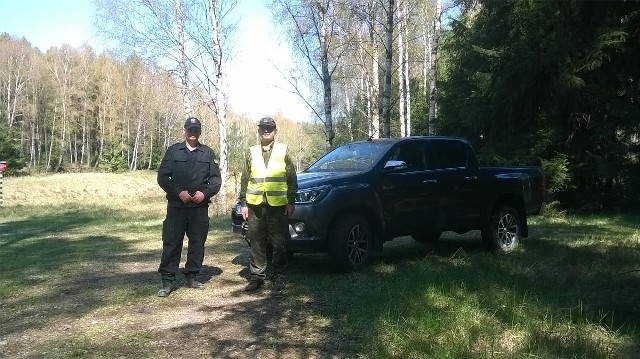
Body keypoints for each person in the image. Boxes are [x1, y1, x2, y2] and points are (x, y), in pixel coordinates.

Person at [156, 116, 222, 297]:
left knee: (197, 243)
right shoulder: (173, 151)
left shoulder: (207, 153)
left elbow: (216, 180)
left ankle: (192, 276)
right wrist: (178, 192)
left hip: (199, 208)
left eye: (196, 130)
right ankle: (167, 281)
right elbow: (163, 177)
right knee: (172, 242)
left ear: (199, 132)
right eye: (190, 129)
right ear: (185, 130)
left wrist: (205, 193)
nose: (193, 133)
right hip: (177, 206)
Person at [239, 117, 297, 292]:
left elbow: (291, 178)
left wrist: (291, 201)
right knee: (256, 241)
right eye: (263, 127)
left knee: (279, 243)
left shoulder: (283, 150)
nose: (266, 130)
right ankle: (257, 277)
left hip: (277, 205)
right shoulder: (252, 152)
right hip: (255, 204)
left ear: (275, 131)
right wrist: (242, 203)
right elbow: (245, 179)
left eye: (269, 128)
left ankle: (279, 276)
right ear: (259, 130)